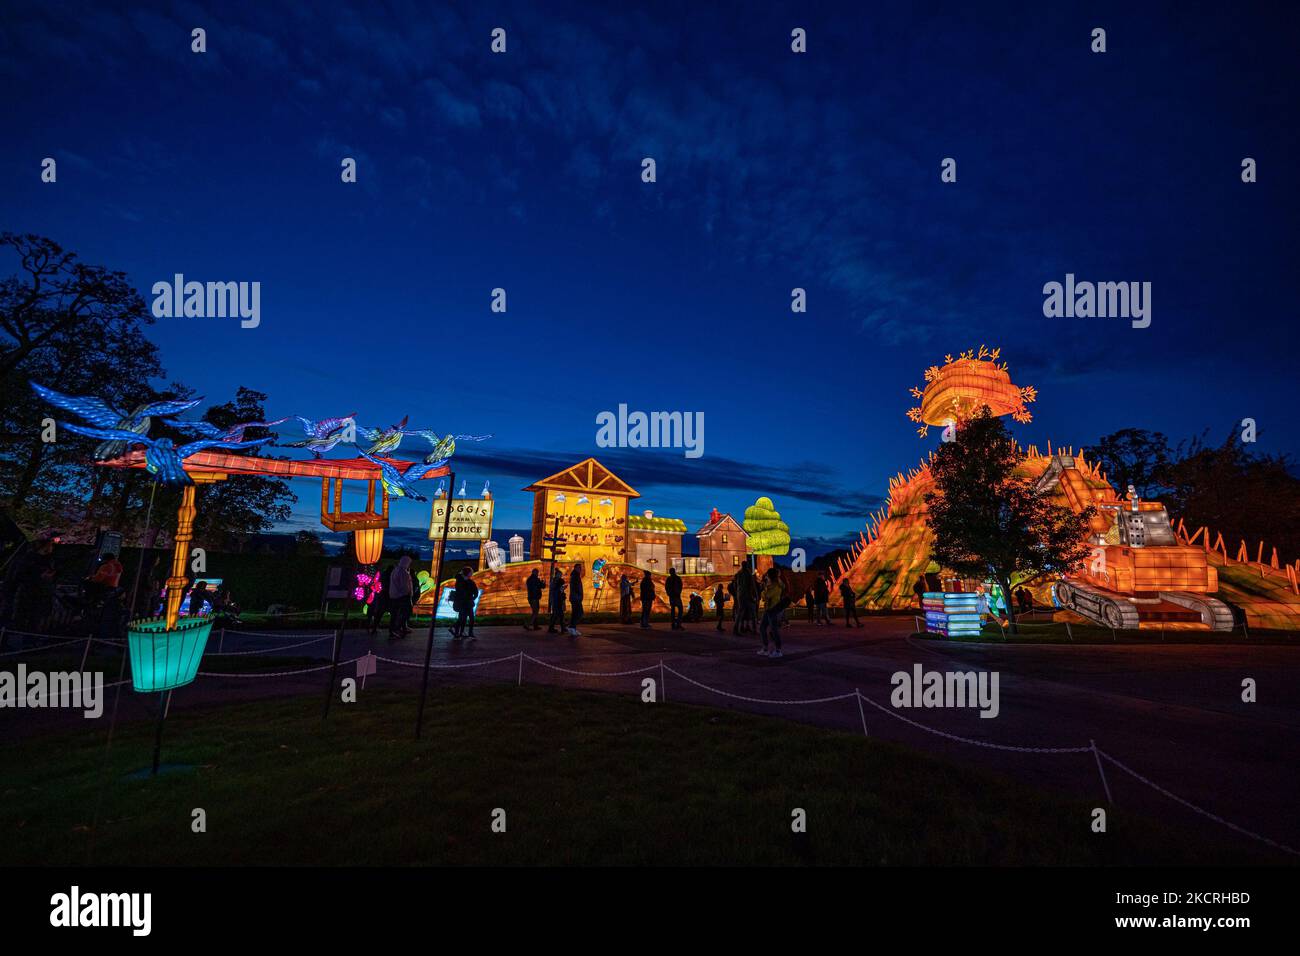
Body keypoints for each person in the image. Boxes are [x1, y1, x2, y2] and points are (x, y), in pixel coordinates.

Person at [758, 568, 787, 658]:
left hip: (773, 609)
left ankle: (778, 650)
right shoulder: (772, 584)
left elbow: (767, 596)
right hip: (768, 609)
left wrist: (763, 590)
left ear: (770, 576)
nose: (766, 576)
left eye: (767, 575)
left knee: (774, 630)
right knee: (762, 627)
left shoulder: (776, 585)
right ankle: (765, 648)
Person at [388, 556, 414, 639]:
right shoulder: (403, 572)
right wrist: (408, 593)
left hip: (394, 595)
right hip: (402, 596)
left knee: (395, 614)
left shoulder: (395, 570)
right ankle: (397, 629)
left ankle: (394, 630)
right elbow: (404, 586)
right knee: (405, 612)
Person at [452, 566, 479, 639]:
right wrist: (471, 596)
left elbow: (475, 591)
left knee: (468, 618)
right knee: (463, 618)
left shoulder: (469, 581)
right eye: (471, 572)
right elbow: (461, 592)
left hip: (467, 603)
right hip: (462, 603)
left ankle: (462, 632)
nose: (472, 573)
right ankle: (459, 632)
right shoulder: (460, 581)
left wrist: (473, 597)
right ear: (468, 573)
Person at [547, 566, 566, 633]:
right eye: (560, 574)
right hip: (556, 599)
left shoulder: (555, 581)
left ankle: (561, 627)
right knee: (558, 614)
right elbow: (556, 590)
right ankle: (561, 628)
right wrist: (562, 588)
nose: (561, 576)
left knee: (558, 614)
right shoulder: (557, 581)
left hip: (557, 598)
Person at [567, 561, 584, 636]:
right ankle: (572, 627)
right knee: (579, 613)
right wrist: (579, 595)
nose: (580, 569)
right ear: (576, 568)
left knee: (576, 613)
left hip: (576, 597)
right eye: (579, 568)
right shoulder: (575, 576)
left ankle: (572, 628)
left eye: (581, 568)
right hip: (576, 597)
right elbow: (576, 587)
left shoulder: (575, 575)